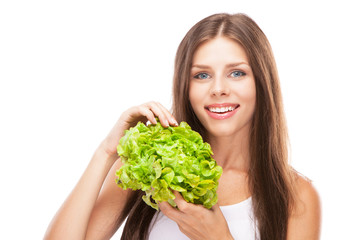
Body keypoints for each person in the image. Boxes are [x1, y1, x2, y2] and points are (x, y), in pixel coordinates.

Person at [44, 13, 321, 240]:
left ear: (262, 81)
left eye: (237, 73)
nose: (219, 89)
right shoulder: (151, 165)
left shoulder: (297, 196)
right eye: (201, 75)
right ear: (185, 87)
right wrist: (106, 152)